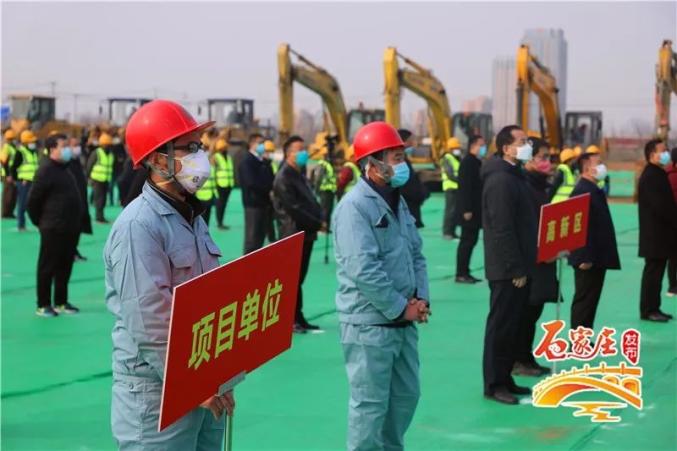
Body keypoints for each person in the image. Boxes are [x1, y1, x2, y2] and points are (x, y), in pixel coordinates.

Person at [104, 100, 234, 450]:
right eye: (190, 148)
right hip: (158, 390)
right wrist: (192, 382)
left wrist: (219, 372)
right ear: (159, 159)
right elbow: (150, 318)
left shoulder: (191, 216)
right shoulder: (138, 226)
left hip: (202, 378)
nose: (200, 156)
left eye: (200, 146)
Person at [333, 122, 430, 451]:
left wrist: (420, 299)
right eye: (397, 156)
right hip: (370, 325)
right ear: (372, 164)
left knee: (405, 397)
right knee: (370, 407)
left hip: (403, 321)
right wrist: (402, 307)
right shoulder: (353, 207)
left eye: (404, 156)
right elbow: (363, 268)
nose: (403, 164)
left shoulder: (397, 201)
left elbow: (415, 252)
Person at [481, 125, 537, 405]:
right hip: (507, 269)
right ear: (506, 148)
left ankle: (505, 377)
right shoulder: (500, 180)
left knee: (512, 325)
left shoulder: (517, 176)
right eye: (522, 141)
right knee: (501, 326)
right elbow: (502, 228)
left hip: (520, 265)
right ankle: (493, 383)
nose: (528, 145)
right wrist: (515, 268)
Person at [272, 136, 326, 333]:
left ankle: (298, 317)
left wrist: (320, 216)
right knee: (291, 279)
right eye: (299, 149)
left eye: (304, 148)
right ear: (289, 154)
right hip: (292, 233)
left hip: (306, 232)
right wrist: (318, 222)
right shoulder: (283, 177)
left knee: (298, 279)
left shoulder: (299, 173)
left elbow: (311, 200)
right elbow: (294, 208)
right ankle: (289, 319)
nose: (304, 153)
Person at [514, 138, 557, 377]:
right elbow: (527, 227)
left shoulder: (539, 185)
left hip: (541, 258)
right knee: (525, 312)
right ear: (529, 159)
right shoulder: (526, 186)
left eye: (549, 158)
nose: (547, 162)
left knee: (533, 312)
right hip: (531, 260)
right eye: (542, 157)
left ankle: (525, 356)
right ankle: (518, 358)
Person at [27, 134, 82, 317]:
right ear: (52, 149)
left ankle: (61, 301)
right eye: (63, 146)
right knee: (47, 266)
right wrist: (41, 223)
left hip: (69, 227)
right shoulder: (45, 170)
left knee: (65, 266)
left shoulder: (65, 168)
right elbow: (33, 202)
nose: (68, 149)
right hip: (53, 227)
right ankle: (43, 304)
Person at [567, 152, 621, 329]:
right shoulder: (582, 191)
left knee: (591, 298)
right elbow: (577, 228)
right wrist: (582, 256)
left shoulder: (593, 189)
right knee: (585, 299)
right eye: (598, 163)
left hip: (595, 255)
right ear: (588, 169)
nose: (602, 167)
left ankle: (584, 335)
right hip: (587, 258)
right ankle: (578, 340)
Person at [637, 139, 677, 322]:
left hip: (660, 234)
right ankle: (648, 309)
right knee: (652, 274)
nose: (666, 153)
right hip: (654, 235)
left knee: (657, 272)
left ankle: (654, 307)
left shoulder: (657, 173)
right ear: (652, 155)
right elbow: (660, 206)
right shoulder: (651, 176)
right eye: (662, 150)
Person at [455, 134, 486, 283]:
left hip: (475, 210)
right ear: (473, 145)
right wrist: (466, 209)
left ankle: (465, 271)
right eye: (481, 144)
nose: (483, 147)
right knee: (466, 242)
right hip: (469, 211)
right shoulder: (468, 162)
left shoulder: (476, 162)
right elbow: (465, 188)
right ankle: (461, 273)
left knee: (470, 241)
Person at [238, 133, 275, 254]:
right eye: (260, 143)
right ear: (252, 144)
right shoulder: (247, 161)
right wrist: (268, 190)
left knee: (260, 239)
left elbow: (271, 179)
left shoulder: (263, 161)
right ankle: (247, 269)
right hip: (253, 205)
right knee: (252, 241)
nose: (263, 146)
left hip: (264, 204)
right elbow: (251, 183)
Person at [66, 137, 92, 261]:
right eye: (74, 145)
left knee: (78, 229)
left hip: (81, 201)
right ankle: (69, 252)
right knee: (71, 230)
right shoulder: (66, 164)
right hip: (71, 203)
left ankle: (74, 251)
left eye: (78, 145)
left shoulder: (77, 162)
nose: (77, 148)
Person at [398, 129, 429, 228]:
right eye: (410, 140)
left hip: (410, 206)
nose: (413, 143)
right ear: (403, 141)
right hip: (407, 207)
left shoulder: (404, 159)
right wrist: (420, 195)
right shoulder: (400, 161)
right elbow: (408, 185)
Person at [12, 130, 39, 231]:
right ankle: (21, 224)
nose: (33, 143)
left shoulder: (33, 152)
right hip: (24, 182)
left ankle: (35, 222)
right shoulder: (20, 152)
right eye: (30, 141)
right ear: (25, 142)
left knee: (34, 203)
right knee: (22, 203)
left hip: (33, 181)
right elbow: (13, 167)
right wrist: (17, 179)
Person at [87, 132, 114, 223]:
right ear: (102, 144)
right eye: (106, 145)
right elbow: (89, 165)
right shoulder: (97, 153)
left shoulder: (111, 154)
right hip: (97, 180)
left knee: (103, 199)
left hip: (106, 180)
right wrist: (89, 177)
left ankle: (101, 216)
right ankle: (99, 217)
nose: (108, 146)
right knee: (99, 199)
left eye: (109, 145)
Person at [441, 137, 462, 239]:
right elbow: (450, 174)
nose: (457, 150)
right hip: (450, 188)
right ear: (450, 149)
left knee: (455, 211)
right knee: (450, 211)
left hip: (457, 188)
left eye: (458, 148)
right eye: (455, 148)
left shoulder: (456, 158)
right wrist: (461, 181)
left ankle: (452, 232)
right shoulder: (447, 158)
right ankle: (447, 232)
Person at [312, 152, 337, 232]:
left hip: (330, 191)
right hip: (325, 191)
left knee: (328, 210)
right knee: (324, 210)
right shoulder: (323, 165)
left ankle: (327, 227)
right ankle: (323, 227)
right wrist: (316, 190)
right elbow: (318, 179)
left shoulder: (328, 165)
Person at [213, 138, 235, 230]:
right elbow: (213, 172)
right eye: (224, 147)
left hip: (228, 185)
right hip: (220, 185)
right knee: (220, 205)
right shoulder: (216, 157)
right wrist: (214, 186)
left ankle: (221, 222)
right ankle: (219, 223)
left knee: (224, 204)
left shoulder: (229, 157)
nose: (225, 149)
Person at [195, 147, 217, 226]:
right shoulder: (197, 168)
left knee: (207, 220)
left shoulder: (212, 168)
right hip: (201, 198)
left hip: (210, 196)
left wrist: (215, 194)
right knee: (201, 220)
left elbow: (213, 182)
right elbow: (195, 183)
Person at [667, 147, 677, 297]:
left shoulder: (666, 173)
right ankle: (673, 286)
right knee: (674, 256)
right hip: (672, 221)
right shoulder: (670, 176)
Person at [1, 129, 19, 218]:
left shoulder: (13, 147)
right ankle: (6, 213)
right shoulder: (6, 147)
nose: (11, 140)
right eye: (10, 139)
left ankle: (10, 212)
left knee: (13, 194)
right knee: (8, 194)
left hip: (13, 174)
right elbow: (4, 162)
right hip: (8, 174)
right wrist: (8, 175)